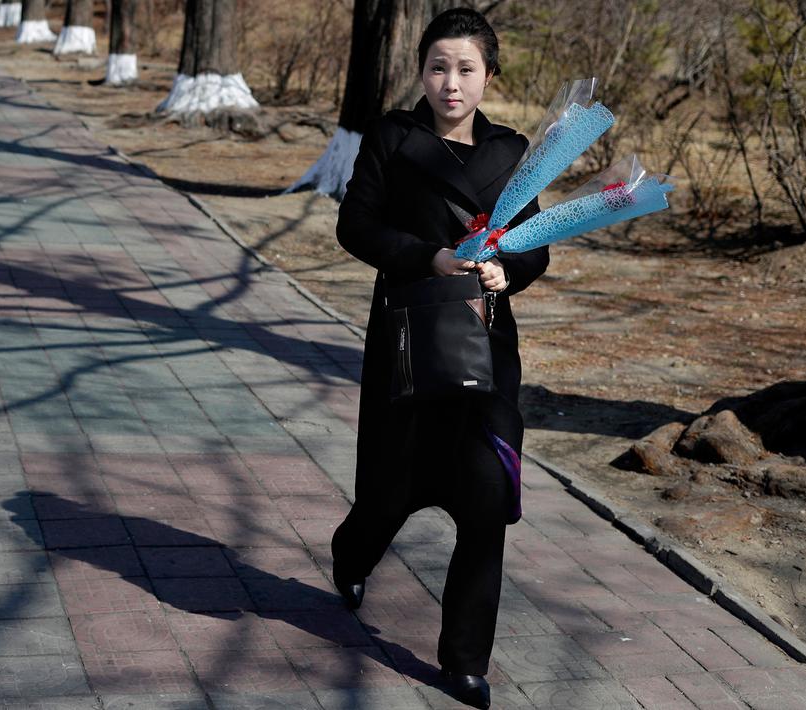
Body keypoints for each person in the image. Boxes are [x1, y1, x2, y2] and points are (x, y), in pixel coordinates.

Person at [330, 8, 548, 710]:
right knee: (389, 491)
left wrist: (505, 271)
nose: (449, 83)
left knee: (486, 496)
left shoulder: (513, 153)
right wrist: (431, 258)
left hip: (486, 348)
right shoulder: (392, 138)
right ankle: (351, 552)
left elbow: (534, 241)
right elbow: (354, 225)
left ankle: (463, 661)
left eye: (465, 69)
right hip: (407, 342)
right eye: (436, 67)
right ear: (419, 70)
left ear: (489, 76)